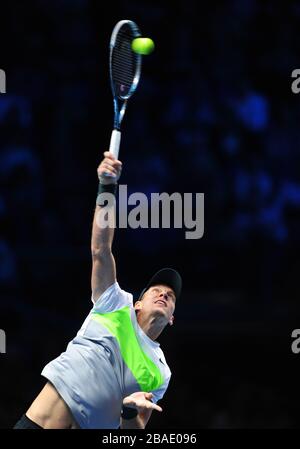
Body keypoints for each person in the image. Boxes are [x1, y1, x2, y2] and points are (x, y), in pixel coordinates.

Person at [14, 151, 182, 429]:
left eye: (171, 296)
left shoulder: (160, 371)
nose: (164, 294)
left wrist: (128, 412)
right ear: (137, 304)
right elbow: (100, 249)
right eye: (156, 290)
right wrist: (107, 186)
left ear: (172, 318)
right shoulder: (115, 303)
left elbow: (132, 432)